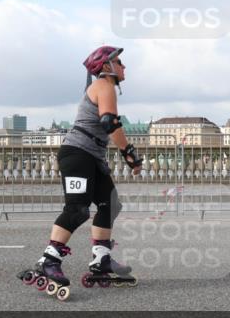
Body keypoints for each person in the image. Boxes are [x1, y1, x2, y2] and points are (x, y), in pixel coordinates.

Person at [26, 45, 143, 294]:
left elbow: (109, 125)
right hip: (78, 155)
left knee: (110, 205)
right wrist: (129, 154)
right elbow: (109, 122)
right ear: (106, 66)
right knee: (77, 209)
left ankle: (101, 259)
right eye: (119, 61)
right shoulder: (104, 85)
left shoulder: (106, 87)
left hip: (91, 157)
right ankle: (49, 261)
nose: (124, 66)